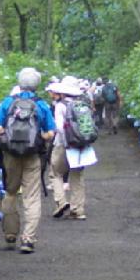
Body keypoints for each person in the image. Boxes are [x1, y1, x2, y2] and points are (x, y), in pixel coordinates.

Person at [0, 68, 55, 253]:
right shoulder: (41, 105)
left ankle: (11, 232)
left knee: (11, 191)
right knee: (32, 196)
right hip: (32, 155)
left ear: (19, 83)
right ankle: (28, 239)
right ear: (37, 85)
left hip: (11, 155)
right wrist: (40, 137)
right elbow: (51, 132)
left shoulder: (8, 103)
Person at [48, 76, 92, 220]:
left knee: (56, 173)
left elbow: (59, 127)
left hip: (62, 144)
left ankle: (61, 202)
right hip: (80, 146)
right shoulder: (82, 105)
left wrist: (66, 140)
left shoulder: (60, 105)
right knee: (77, 177)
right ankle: (78, 210)